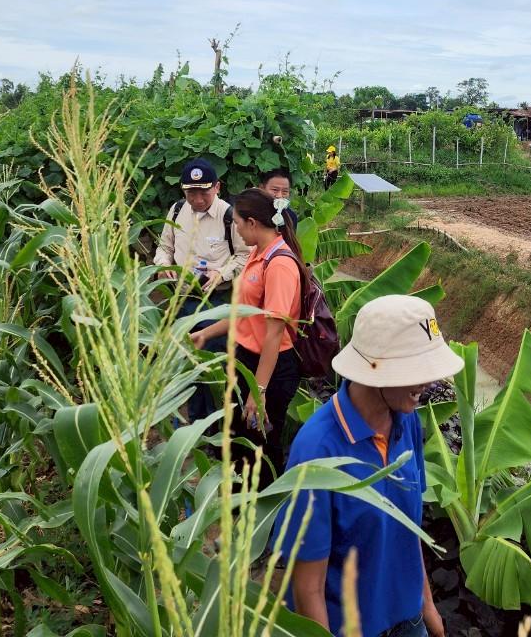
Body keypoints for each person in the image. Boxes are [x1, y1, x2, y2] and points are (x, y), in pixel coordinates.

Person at [273, 294, 460, 637]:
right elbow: (307, 588)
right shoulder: (318, 451)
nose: (427, 383)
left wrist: (427, 606)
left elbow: (408, 530)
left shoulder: (407, 424)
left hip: (409, 620)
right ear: (375, 370)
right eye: (415, 370)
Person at [189, 188, 304, 486]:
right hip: (245, 359)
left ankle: (266, 514)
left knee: (262, 444)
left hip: (271, 367)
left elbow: (274, 335)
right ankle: (240, 504)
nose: (236, 230)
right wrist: (204, 333)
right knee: (238, 436)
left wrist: (259, 390)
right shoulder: (257, 254)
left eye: (238, 223)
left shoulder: (279, 264)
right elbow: (242, 311)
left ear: (252, 223)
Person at [154, 158, 248, 309]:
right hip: (180, 297)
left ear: (217, 187)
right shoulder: (177, 210)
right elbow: (165, 246)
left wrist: (221, 274)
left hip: (216, 300)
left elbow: (245, 256)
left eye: (204, 192)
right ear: (183, 189)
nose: (198, 200)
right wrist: (164, 264)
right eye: (191, 193)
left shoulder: (229, 216)